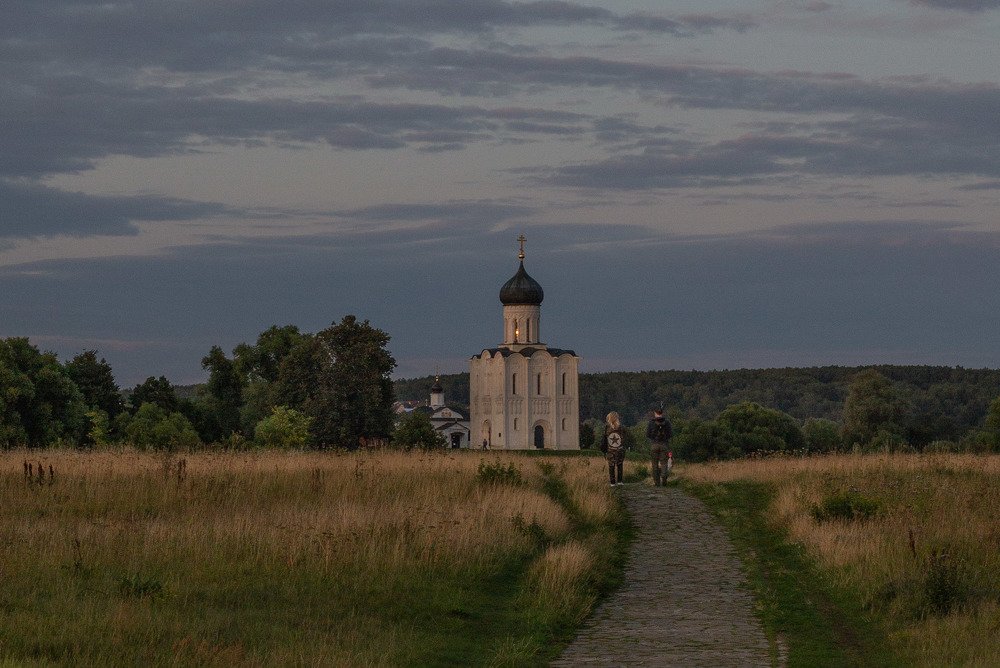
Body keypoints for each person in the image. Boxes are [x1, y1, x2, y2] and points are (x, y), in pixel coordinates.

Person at [647, 406, 673, 486]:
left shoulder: (651, 422)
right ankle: (664, 477)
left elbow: (647, 434)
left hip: (654, 445)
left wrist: (653, 437)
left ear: (655, 413)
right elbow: (670, 434)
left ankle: (657, 482)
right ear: (662, 413)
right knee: (664, 463)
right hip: (664, 445)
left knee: (654, 464)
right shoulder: (667, 422)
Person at [600, 411, 626, 486]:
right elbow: (624, 438)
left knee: (611, 466)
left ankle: (612, 482)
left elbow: (604, 438)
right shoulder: (621, 427)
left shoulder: (607, 427)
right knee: (620, 465)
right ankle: (620, 481)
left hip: (610, 449)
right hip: (620, 449)